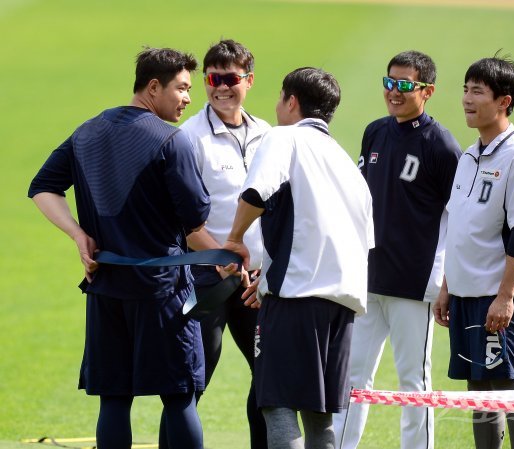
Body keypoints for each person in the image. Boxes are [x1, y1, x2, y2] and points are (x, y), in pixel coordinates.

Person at [28, 48, 210, 449]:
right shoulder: (171, 140)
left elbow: (42, 187)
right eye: (181, 88)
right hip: (164, 291)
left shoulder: (86, 132)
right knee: (179, 396)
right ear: (153, 87)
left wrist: (78, 235)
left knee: (113, 399)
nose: (187, 98)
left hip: (106, 288)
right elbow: (195, 218)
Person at [223, 67, 374, 449]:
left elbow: (255, 194)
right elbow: (360, 241)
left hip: (296, 300)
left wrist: (235, 239)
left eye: (280, 97)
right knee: (319, 419)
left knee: (277, 405)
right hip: (342, 305)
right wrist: (272, 275)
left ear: (291, 102)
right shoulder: (346, 162)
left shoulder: (283, 137)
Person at [333, 51, 462, 449]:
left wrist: (447, 282)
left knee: (414, 382)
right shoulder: (375, 132)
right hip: (369, 280)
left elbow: (461, 219)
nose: (394, 91)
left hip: (414, 285)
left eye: (405, 85)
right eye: (389, 82)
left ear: (427, 91)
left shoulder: (441, 146)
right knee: (353, 377)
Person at [433, 53, 514, 449]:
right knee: (479, 390)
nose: (467, 99)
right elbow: (460, 229)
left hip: (497, 296)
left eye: (478, 91)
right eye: (465, 89)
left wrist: (505, 296)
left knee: (510, 389)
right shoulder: (469, 156)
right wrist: (447, 286)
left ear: (504, 101)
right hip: (466, 295)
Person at [159, 39, 270, 449]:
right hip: (204, 279)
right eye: (212, 79)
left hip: (256, 282)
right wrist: (221, 258)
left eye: (230, 79)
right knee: (191, 381)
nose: (220, 88)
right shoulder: (189, 138)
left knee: (268, 380)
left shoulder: (267, 135)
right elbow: (182, 219)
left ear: (249, 81)